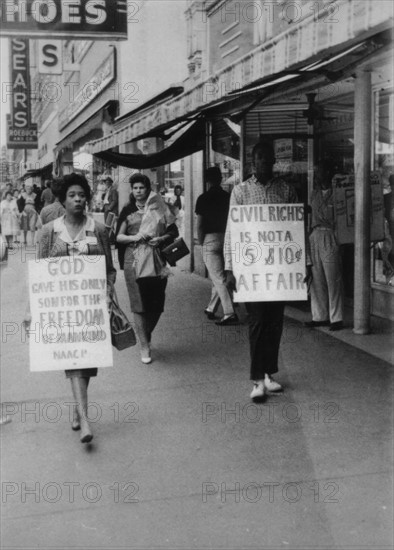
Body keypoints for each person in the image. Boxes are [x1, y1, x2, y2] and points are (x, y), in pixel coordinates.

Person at [32, 173, 116, 443]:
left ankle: (77, 408)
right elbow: (39, 274)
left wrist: (107, 292)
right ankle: (86, 419)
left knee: (88, 363)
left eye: (82, 195)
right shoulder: (49, 232)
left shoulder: (98, 230)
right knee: (73, 363)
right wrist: (30, 309)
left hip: (91, 309)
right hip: (62, 311)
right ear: (62, 200)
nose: (78, 199)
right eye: (72, 195)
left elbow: (110, 270)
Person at [224, 140, 298, 401]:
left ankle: (269, 374)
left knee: (274, 323)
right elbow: (231, 232)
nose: (265, 164)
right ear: (253, 163)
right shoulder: (240, 192)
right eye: (260, 160)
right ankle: (257, 380)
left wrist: (304, 264)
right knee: (256, 323)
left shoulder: (286, 190)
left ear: (273, 162)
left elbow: (296, 231)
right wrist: (229, 267)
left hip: (279, 269)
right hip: (251, 270)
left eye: (269, 159)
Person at [116, 173, 178, 364]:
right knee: (138, 303)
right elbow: (118, 237)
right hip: (133, 260)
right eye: (134, 188)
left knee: (157, 303)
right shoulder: (127, 210)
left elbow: (173, 230)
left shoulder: (159, 207)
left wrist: (161, 238)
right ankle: (144, 345)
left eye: (141, 187)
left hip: (156, 258)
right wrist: (135, 237)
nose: (138, 191)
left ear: (148, 189)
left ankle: (145, 334)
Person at [304, 162, 344, 331]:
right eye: (317, 173)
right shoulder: (314, 194)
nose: (319, 176)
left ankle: (336, 318)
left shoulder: (338, 194)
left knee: (332, 278)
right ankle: (320, 316)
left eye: (322, 172)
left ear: (329, 173)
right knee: (316, 278)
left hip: (330, 234)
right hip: (314, 235)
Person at [195, 166, 238, 325]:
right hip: (227, 238)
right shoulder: (228, 196)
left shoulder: (203, 198)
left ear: (206, 180)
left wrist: (201, 243)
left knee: (218, 278)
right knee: (218, 276)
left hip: (210, 240)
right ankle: (211, 308)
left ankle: (229, 312)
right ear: (220, 179)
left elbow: (200, 225)